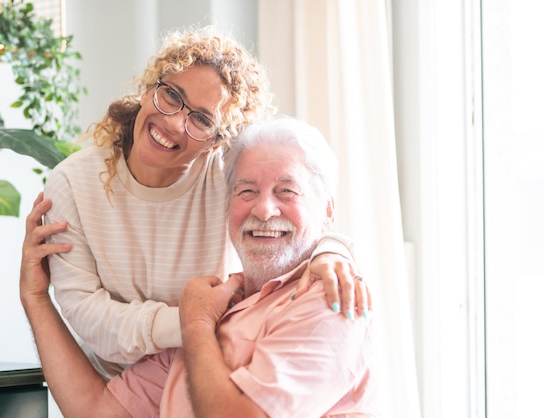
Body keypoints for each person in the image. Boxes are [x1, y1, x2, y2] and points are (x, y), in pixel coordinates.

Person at [22, 26, 370, 379]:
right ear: (147, 90)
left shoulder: (227, 176)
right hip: (118, 389)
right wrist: (190, 321)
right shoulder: (72, 183)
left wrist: (332, 250)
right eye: (171, 95)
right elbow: (85, 314)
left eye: (202, 119)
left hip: (213, 373)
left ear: (218, 142)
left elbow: (290, 212)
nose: (174, 122)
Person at [20, 116, 377, 417]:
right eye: (246, 191)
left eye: (287, 191)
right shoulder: (218, 305)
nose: (264, 210)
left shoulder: (331, 300)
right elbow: (98, 411)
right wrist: (36, 300)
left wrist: (196, 326)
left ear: (327, 211)